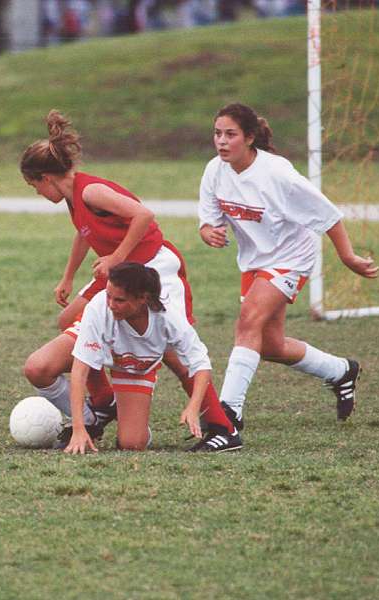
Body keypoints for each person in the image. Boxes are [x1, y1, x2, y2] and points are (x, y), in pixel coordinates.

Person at [20, 110, 240, 452]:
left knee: (174, 352)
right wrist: (68, 276)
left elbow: (144, 215)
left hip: (154, 266)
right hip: (121, 272)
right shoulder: (74, 198)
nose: (36, 192)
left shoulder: (91, 191)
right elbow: (84, 232)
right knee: (69, 320)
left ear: (46, 177)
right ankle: (103, 402)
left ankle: (222, 428)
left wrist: (116, 257)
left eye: (33, 185)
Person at [198, 102, 379, 432]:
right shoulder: (215, 171)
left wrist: (348, 257)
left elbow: (328, 216)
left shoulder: (278, 174)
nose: (221, 141)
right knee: (269, 345)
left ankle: (228, 415)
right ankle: (341, 371)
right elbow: (208, 222)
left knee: (247, 321)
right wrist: (208, 232)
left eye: (230, 134)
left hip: (291, 257)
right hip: (255, 260)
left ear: (249, 138)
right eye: (217, 133)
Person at [28, 262, 240, 453]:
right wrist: (79, 428)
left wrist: (193, 406)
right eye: (108, 295)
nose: (111, 304)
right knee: (37, 368)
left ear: (143, 299)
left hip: (133, 365)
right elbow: (80, 370)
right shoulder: (99, 307)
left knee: (132, 444)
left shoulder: (169, 317)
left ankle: (129, 419)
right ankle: (90, 419)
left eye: (119, 300)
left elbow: (201, 365)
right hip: (102, 345)